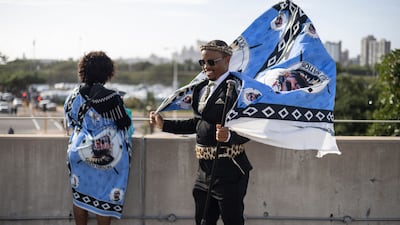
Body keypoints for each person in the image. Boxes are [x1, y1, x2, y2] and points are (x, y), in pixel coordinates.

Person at [150, 40, 252, 225]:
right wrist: (164, 125)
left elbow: (253, 127)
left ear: (227, 60)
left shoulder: (239, 89)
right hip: (204, 171)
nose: (206, 67)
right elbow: (198, 124)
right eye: (202, 62)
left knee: (233, 221)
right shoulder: (199, 89)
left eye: (211, 62)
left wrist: (230, 136)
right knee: (203, 221)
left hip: (229, 169)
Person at [64, 51, 132, 225]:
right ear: (107, 72)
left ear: (82, 71)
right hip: (108, 156)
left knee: (79, 197)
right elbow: (124, 123)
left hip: (79, 153)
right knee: (104, 200)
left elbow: (70, 124)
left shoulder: (72, 96)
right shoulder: (112, 97)